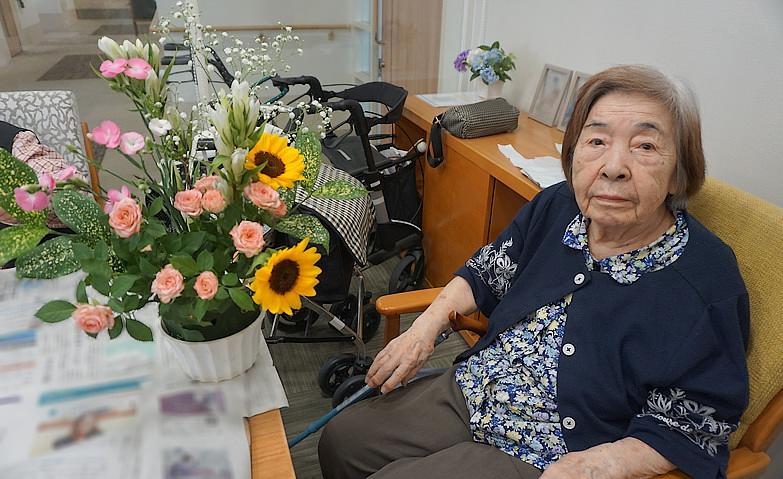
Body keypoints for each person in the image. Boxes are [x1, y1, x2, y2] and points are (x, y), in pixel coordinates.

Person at [318, 65, 749, 479]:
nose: (614, 166)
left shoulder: (706, 279)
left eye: (646, 147)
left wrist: (604, 464)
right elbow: (488, 272)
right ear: (574, 153)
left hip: (554, 444)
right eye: (596, 141)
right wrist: (425, 327)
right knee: (340, 440)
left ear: (680, 173)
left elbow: (697, 421)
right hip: (480, 384)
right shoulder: (558, 205)